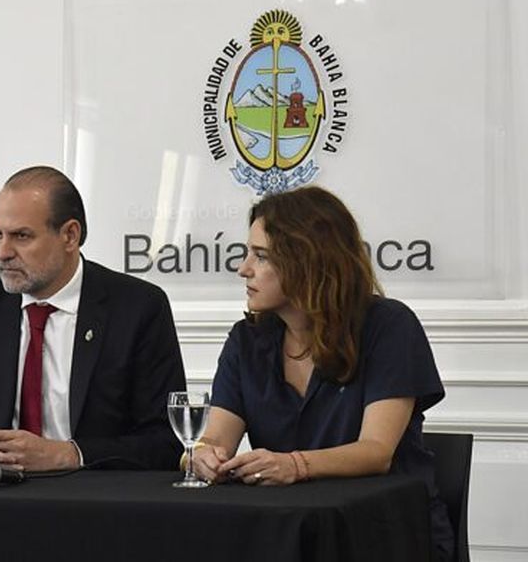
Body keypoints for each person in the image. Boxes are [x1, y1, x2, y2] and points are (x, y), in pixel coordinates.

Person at [191, 185, 454, 561]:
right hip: (292, 534)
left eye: (260, 256)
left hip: (384, 534)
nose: (242, 268)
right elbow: (216, 437)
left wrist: (293, 465)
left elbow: (375, 452)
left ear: (307, 261)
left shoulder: (389, 326)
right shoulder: (246, 340)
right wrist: (201, 456)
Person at [0, 166, 186, 471]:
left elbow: (166, 442)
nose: (3, 252)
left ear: (69, 235)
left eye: (21, 236)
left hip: (99, 506)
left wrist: (66, 454)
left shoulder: (137, 307)